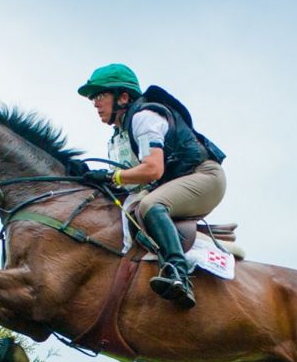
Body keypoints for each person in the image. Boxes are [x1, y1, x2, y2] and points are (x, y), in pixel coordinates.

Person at [76, 63, 226, 309]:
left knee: (151, 205)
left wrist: (112, 177)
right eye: (93, 97)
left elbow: (152, 170)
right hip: (176, 181)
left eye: (100, 95)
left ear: (123, 97)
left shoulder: (144, 117)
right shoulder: (118, 136)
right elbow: (129, 180)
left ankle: (178, 274)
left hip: (205, 177)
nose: (95, 103)